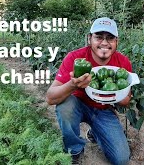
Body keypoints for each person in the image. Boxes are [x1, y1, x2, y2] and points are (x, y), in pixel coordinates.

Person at [46, 17, 132, 165]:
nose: (104, 43)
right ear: (89, 38)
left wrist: (110, 93)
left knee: (122, 159)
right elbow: (50, 98)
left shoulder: (122, 63)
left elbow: (125, 100)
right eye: (98, 37)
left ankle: (96, 132)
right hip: (77, 105)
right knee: (65, 106)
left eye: (110, 38)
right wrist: (73, 85)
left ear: (116, 41)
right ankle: (75, 150)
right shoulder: (75, 58)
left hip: (104, 110)